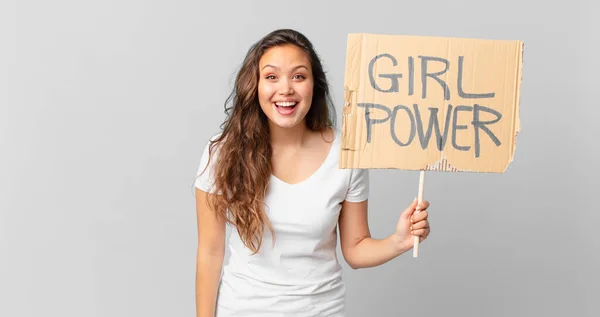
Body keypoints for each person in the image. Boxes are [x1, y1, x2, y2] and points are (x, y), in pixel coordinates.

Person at [193, 28, 431, 317]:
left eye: (298, 76)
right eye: (271, 77)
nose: (286, 89)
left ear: (314, 86)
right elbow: (209, 254)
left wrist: (399, 241)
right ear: (254, 86)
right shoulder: (221, 153)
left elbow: (355, 249)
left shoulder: (347, 154)